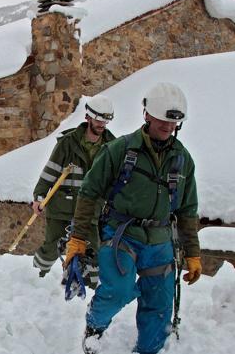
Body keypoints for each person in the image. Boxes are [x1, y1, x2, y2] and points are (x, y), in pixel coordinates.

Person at [63, 82, 202, 354]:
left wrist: (193, 253)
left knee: (159, 305)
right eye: (162, 118)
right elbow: (89, 193)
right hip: (121, 234)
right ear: (147, 115)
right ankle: (94, 326)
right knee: (119, 290)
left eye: (173, 121)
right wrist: (78, 239)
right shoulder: (120, 150)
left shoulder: (183, 159)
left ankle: (148, 350)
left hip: (160, 241)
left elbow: (187, 210)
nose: (167, 126)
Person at [32, 94, 115, 281]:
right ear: (88, 117)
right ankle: (35, 279)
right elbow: (50, 172)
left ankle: (90, 289)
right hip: (62, 207)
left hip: (90, 211)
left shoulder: (111, 146)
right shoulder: (68, 143)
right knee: (52, 247)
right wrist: (39, 197)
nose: (102, 124)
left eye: (106, 120)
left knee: (92, 251)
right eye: (98, 119)